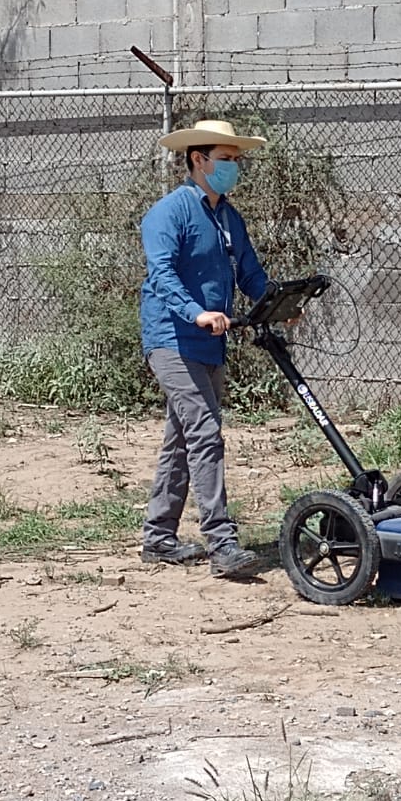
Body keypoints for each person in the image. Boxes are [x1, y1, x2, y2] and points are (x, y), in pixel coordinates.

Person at [137, 119, 269, 579]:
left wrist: (275, 302)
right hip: (172, 338)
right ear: (199, 159)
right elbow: (162, 275)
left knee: (182, 438)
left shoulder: (229, 217)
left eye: (236, 160)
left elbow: (249, 271)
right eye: (226, 159)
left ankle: (158, 537)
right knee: (205, 432)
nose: (234, 167)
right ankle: (221, 542)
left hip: (210, 342)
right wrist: (196, 312)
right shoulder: (168, 213)